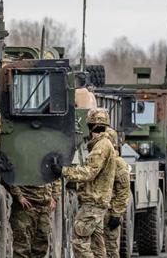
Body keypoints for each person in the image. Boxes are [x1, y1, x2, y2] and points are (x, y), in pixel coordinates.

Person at [51, 108, 116, 258]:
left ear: (91, 125)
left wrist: (63, 171)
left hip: (93, 204)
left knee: (79, 242)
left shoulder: (101, 146)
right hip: (98, 203)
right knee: (98, 246)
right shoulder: (104, 144)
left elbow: (89, 172)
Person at [9, 180, 61, 258]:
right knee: (22, 247)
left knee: (41, 247)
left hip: (44, 209)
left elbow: (57, 176)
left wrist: (54, 197)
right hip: (25, 207)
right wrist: (18, 195)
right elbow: (10, 173)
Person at [103, 128, 131, 258]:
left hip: (110, 213)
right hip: (98, 212)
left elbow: (123, 191)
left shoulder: (118, 163)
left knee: (111, 249)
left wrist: (116, 213)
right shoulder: (99, 159)